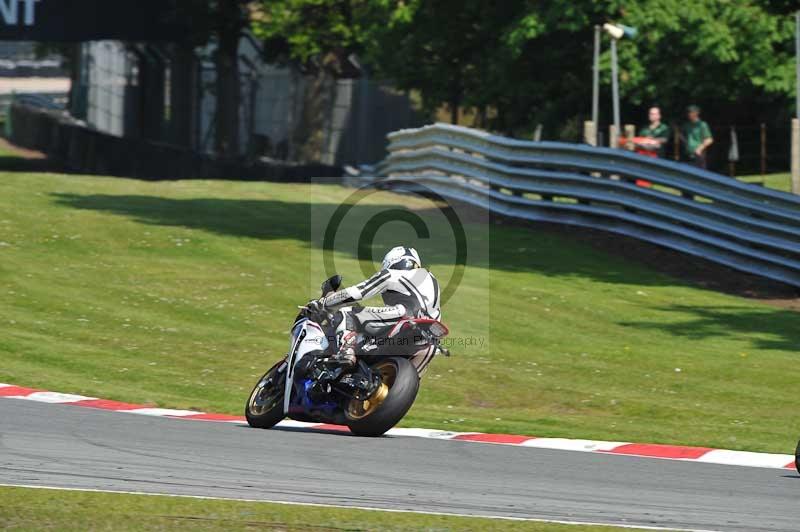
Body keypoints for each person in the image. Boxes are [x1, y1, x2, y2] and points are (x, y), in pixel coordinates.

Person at [305, 246, 441, 367]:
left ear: (391, 263)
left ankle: (346, 351)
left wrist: (323, 303)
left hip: (404, 316)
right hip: (430, 337)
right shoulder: (431, 279)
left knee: (346, 313)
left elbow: (358, 292)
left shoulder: (391, 274)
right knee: (411, 382)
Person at [681, 104, 713, 169]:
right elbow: (682, 136)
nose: (689, 114)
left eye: (691, 112)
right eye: (688, 112)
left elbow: (709, 139)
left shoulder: (702, 125)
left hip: (698, 155)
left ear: (696, 113)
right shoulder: (686, 125)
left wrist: (699, 149)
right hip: (688, 155)